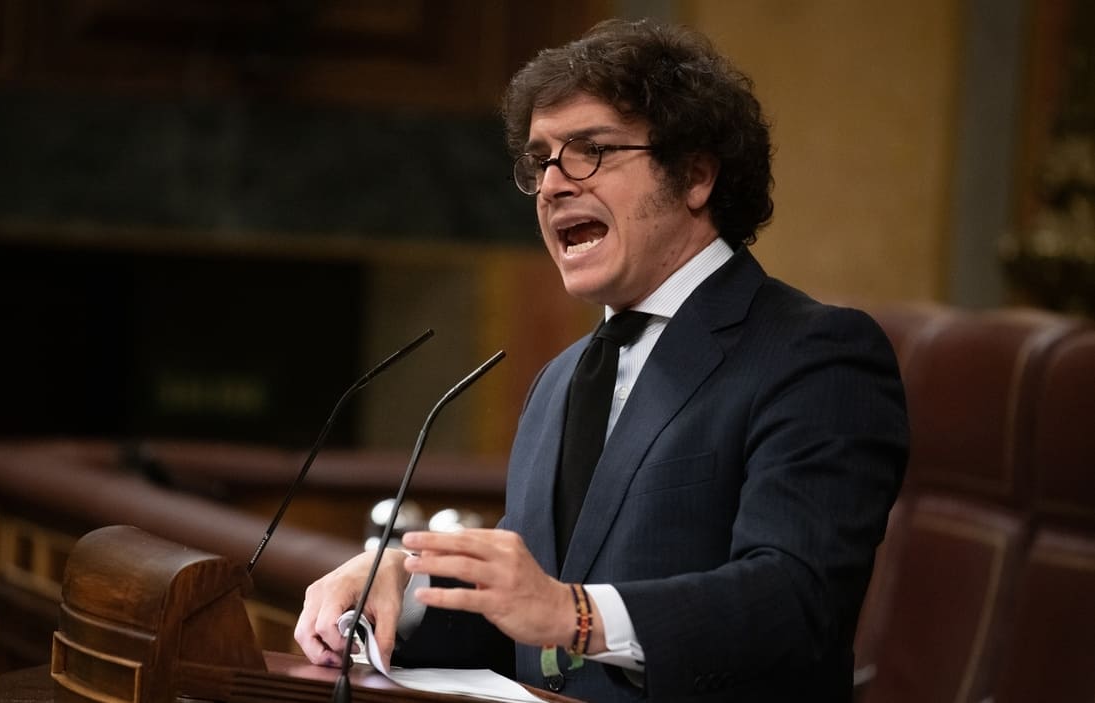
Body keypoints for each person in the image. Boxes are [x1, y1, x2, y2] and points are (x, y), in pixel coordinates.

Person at [296, 18, 908, 702]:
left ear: (696, 174)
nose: (553, 184)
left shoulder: (813, 355)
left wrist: (572, 613)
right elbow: (522, 626)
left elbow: (794, 601)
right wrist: (400, 591)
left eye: (588, 151)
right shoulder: (558, 380)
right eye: (539, 160)